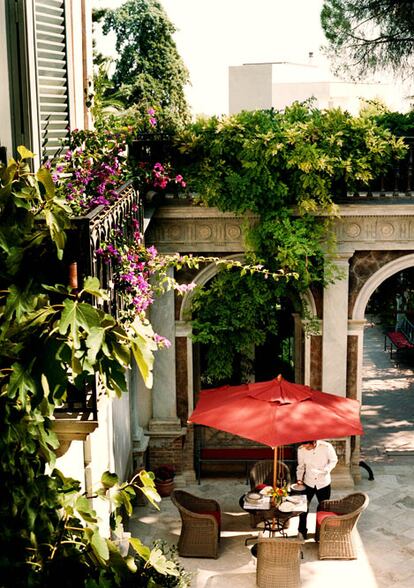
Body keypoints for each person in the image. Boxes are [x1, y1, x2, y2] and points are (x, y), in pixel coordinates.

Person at [296, 439, 338, 540]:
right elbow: (301, 466)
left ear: (314, 442)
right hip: (308, 482)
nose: (306, 448)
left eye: (308, 446)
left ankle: (320, 534)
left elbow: (334, 460)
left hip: (323, 483)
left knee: (323, 510)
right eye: (304, 446)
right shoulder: (301, 449)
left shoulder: (326, 447)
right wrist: (299, 479)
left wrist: (326, 470)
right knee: (303, 509)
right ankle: (302, 532)